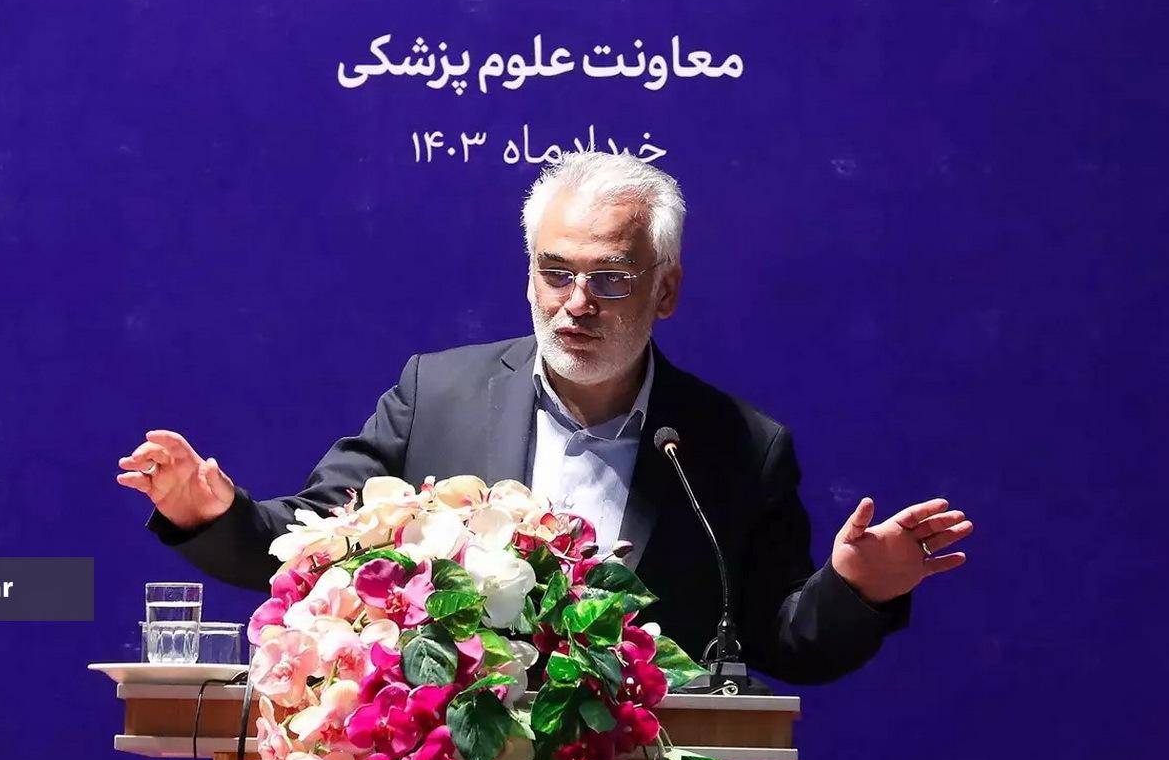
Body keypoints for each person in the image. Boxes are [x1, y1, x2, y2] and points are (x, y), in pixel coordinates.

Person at [117, 152, 970, 685]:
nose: (576, 302)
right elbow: (313, 543)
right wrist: (211, 513)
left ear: (666, 289)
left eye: (611, 278)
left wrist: (855, 587)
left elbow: (780, 642)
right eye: (555, 271)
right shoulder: (437, 393)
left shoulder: (736, 446)